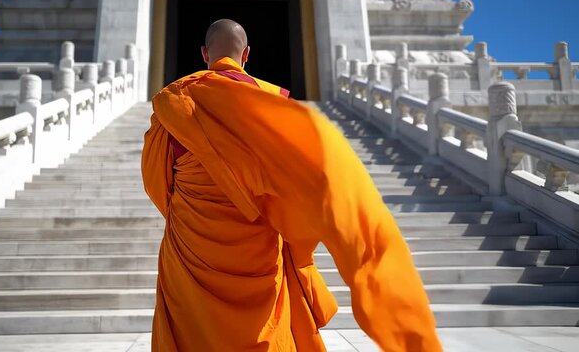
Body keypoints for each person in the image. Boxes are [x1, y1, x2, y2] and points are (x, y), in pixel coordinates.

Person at [141, 19, 442, 352]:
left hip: (191, 251)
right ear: (247, 55)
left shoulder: (174, 105)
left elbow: (158, 184)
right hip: (260, 255)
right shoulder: (271, 105)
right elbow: (301, 187)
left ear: (203, 53)